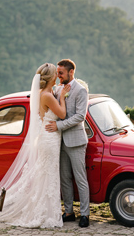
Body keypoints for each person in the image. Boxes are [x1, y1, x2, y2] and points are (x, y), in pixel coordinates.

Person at [0, 63, 66, 228]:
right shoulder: (47, 96)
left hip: (49, 136)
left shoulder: (45, 93)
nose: (58, 75)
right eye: (56, 73)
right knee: (48, 175)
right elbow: (62, 114)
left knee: (46, 175)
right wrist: (62, 97)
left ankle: (45, 209)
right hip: (49, 138)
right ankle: (43, 212)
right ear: (51, 78)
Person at [44, 59, 90, 228]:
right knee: (64, 178)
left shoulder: (81, 90)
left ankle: (85, 214)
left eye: (61, 73)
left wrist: (58, 126)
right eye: (57, 72)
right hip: (59, 142)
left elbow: (80, 117)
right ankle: (69, 212)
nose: (58, 75)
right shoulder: (57, 89)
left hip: (76, 141)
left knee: (80, 178)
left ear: (71, 72)